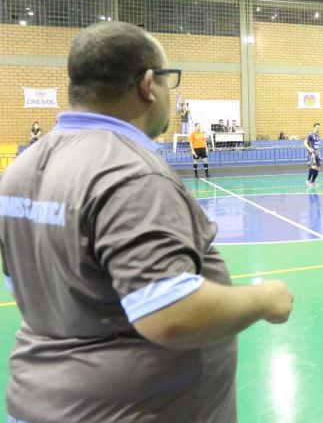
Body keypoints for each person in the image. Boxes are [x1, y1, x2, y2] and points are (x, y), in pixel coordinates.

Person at [0, 21, 293, 423]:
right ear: (149, 85)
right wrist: (264, 298)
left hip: (39, 400)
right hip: (129, 409)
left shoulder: (21, 169)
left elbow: (26, 286)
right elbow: (170, 314)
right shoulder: (130, 172)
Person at [305, 123, 321, 187]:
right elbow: (305, 143)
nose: (318, 129)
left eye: (319, 128)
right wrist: (309, 149)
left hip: (317, 153)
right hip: (311, 153)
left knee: (318, 168)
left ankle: (313, 181)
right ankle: (308, 180)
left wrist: (318, 152)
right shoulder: (310, 135)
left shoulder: (318, 136)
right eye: (317, 128)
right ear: (314, 128)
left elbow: (317, 145)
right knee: (314, 166)